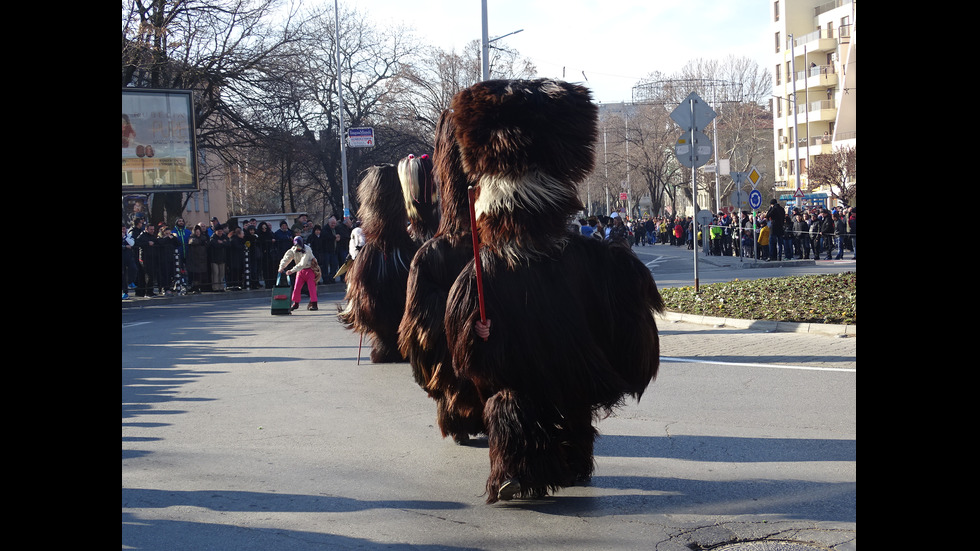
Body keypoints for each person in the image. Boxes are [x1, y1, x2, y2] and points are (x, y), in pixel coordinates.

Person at [279, 235, 319, 310]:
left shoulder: (307, 249)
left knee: (311, 287)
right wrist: (281, 267)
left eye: (299, 245)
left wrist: (292, 270)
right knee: (296, 287)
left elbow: (302, 263)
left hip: (309, 269)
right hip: (300, 271)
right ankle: (295, 303)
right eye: (296, 245)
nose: (298, 247)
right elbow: (286, 258)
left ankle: (314, 304)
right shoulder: (293, 249)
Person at [186, 225, 209, 292]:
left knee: (202, 275)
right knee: (196, 276)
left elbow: (206, 243)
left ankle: (202, 288)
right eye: (196, 232)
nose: (198, 233)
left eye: (199, 232)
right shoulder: (192, 237)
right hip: (195, 260)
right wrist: (200, 242)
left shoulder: (204, 237)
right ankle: (195, 288)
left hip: (202, 259)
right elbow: (192, 241)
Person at [208, 224, 230, 291]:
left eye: (221, 231)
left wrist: (222, 243)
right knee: (216, 273)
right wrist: (223, 243)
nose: (220, 232)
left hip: (222, 258)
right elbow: (216, 245)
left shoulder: (224, 237)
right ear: (215, 231)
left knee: (222, 274)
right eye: (218, 231)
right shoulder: (212, 238)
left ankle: (221, 287)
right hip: (214, 259)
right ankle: (215, 287)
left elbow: (228, 244)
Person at [122, 224, 138, 299]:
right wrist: (125, 246)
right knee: (123, 274)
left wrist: (124, 237)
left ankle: (131, 281)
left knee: (133, 268)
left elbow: (132, 243)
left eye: (124, 229)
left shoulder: (128, 236)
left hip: (129, 256)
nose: (123, 231)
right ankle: (125, 292)